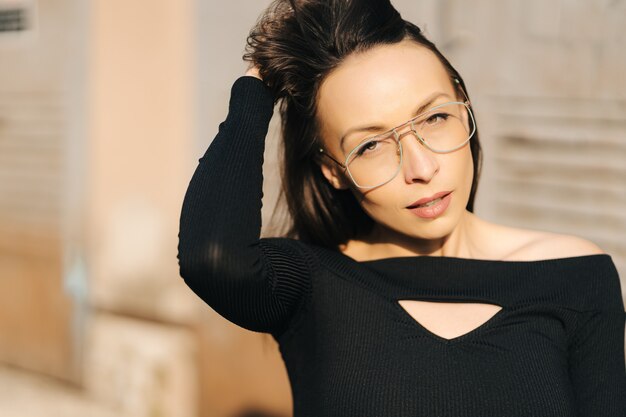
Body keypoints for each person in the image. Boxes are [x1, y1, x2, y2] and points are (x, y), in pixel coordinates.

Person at [177, 0, 626, 415]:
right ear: (332, 170)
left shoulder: (575, 275)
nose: (422, 167)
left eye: (434, 117)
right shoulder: (315, 284)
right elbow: (212, 258)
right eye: (371, 145)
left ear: (465, 110)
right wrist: (260, 79)